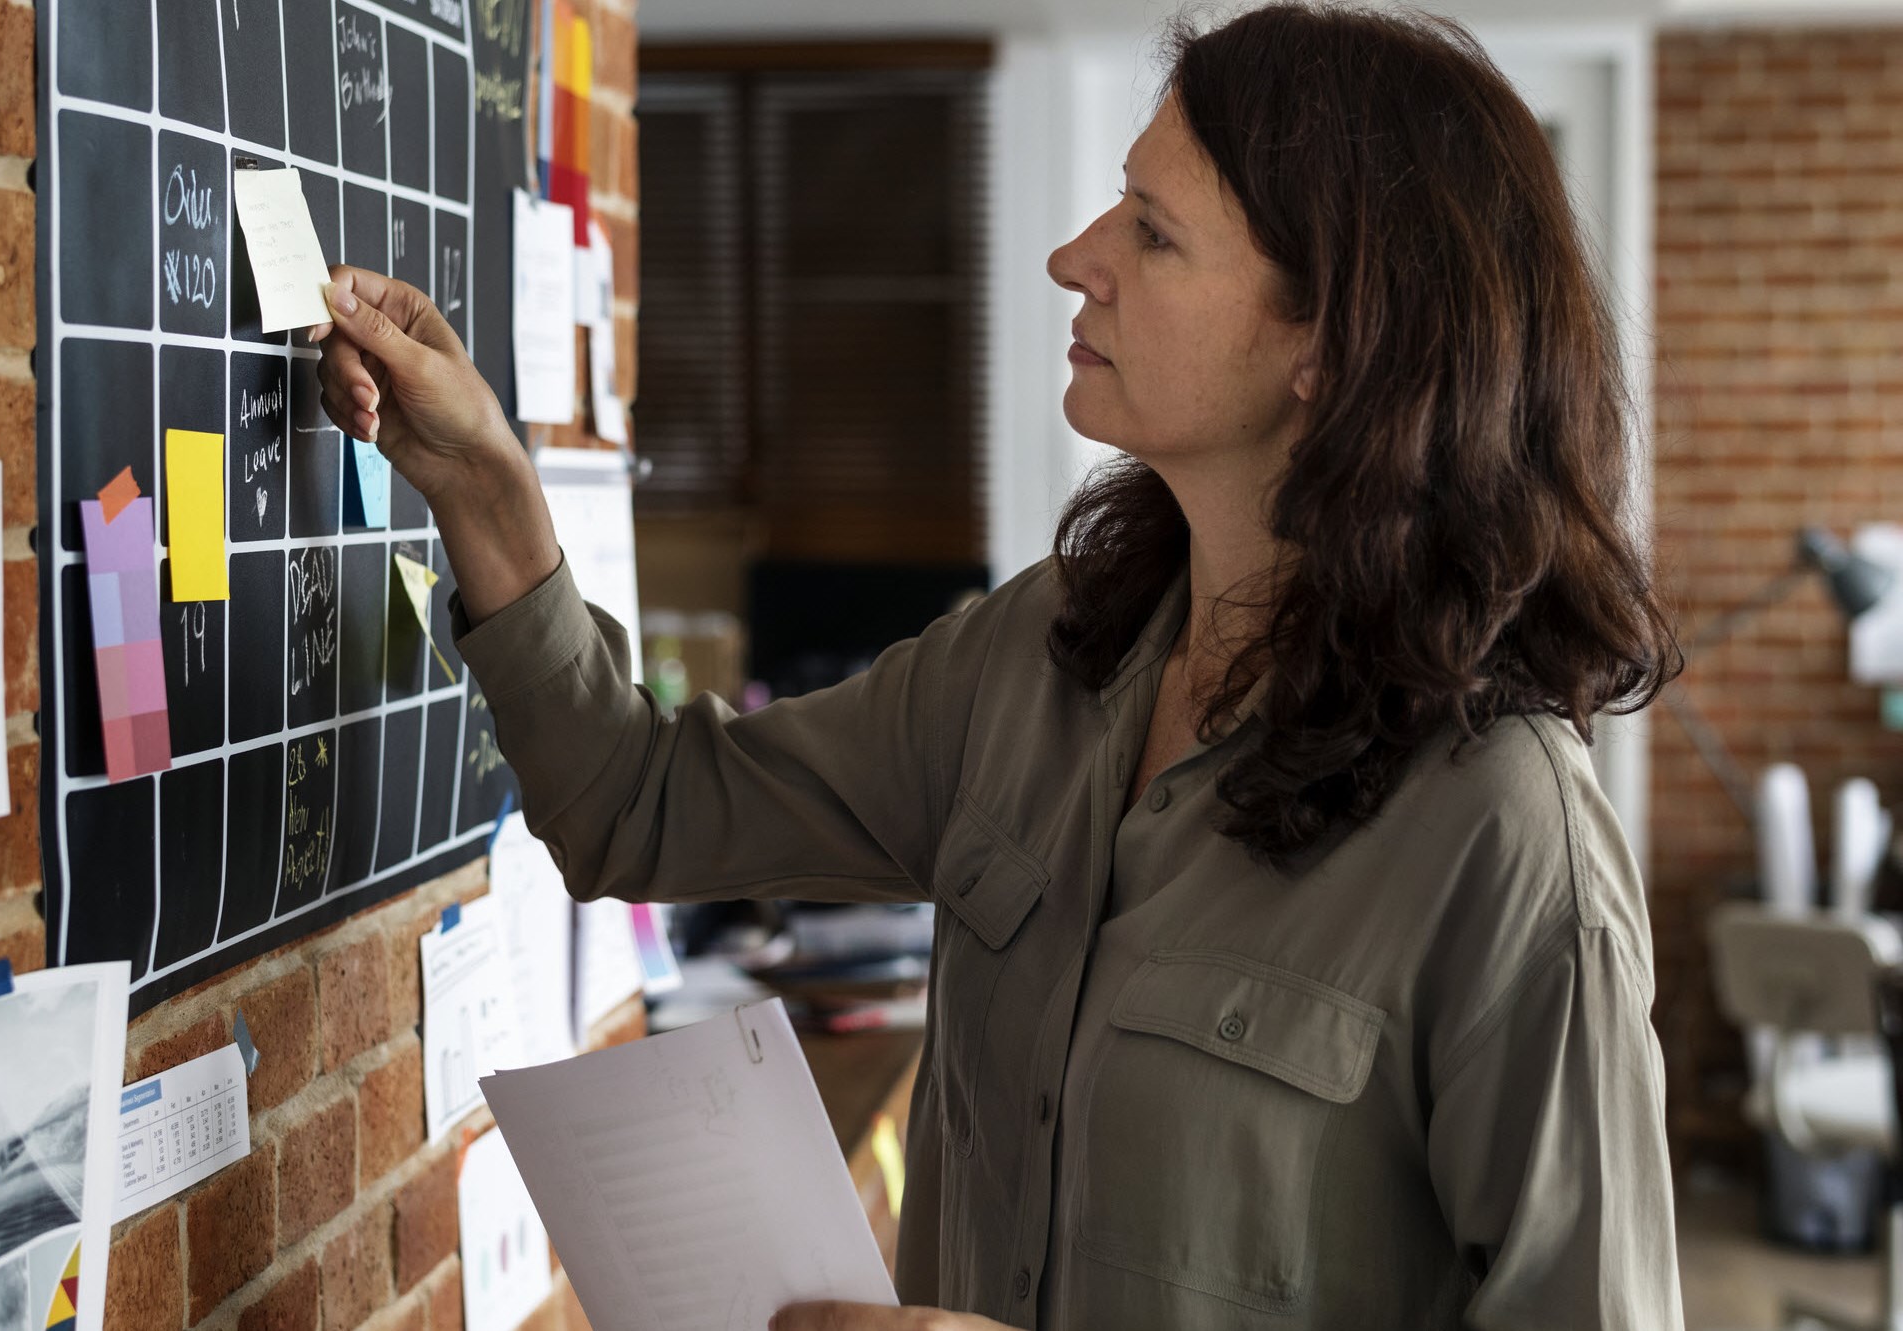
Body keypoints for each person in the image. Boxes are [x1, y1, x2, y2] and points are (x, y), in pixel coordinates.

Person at [310, 5, 1685, 1327]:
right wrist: (486, 491)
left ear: (1328, 344)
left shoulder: (1507, 843)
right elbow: (639, 804)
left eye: (1153, 235)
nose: (1074, 257)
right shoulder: (1042, 656)